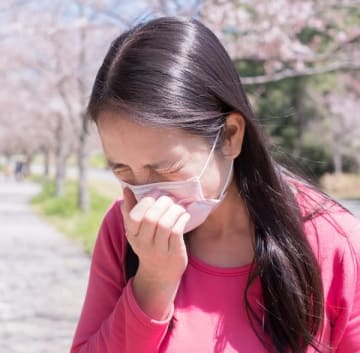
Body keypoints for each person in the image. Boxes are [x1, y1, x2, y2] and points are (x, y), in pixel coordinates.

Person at [69, 17, 360, 353]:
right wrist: (153, 282)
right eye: (122, 170)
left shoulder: (335, 242)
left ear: (231, 137)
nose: (148, 196)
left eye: (166, 168)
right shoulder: (123, 231)